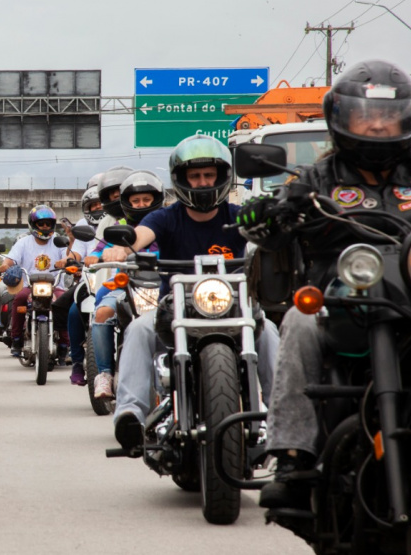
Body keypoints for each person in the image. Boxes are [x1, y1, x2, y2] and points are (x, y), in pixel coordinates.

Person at [234, 60, 411, 509]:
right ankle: (292, 455)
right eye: (364, 116)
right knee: (299, 322)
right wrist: (264, 217)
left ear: (409, 120)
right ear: (341, 119)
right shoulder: (316, 180)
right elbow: (268, 230)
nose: (376, 125)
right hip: (343, 301)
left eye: (388, 116)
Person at [103, 134, 279, 452]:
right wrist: (121, 247)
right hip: (176, 310)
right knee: (139, 329)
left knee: (269, 332)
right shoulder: (166, 217)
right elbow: (142, 233)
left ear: (221, 177)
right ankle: (130, 413)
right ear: (182, 180)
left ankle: (282, 416)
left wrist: (275, 233)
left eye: (208, 175)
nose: (201, 183)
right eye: (194, 176)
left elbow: (268, 235)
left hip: (235, 309)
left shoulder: (237, 216)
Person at [90, 170, 164, 399]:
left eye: (146, 200)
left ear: (156, 200)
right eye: (136, 201)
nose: (141, 205)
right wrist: (101, 256)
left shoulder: (167, 223)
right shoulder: (120, 227)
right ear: (127, 203)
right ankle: (104, 374)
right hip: (128, 286)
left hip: (166, 287)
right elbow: (95, 253)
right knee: (102, 312)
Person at [0, 205, 79, 358]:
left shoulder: (59, 241)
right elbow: (10, 259)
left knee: (64, 301)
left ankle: (65, 343)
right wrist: (5, 266)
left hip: (54, 286)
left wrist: (66, 258)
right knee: (19, 298)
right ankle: (16, 338)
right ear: (33, 225)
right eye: (41, 224)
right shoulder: (23, 242)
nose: (45, 227)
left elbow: (69, 256)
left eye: (48, 223)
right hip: (29, 285)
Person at [59, 178, 104, 385]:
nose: (98, 207)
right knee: (73, 311)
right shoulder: (84, 226)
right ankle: (77, 361)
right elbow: (76, 253)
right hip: (92, 279)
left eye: (101, 202)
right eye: (93, 204)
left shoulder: (119, 221)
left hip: (119, 278)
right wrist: (69, 259)